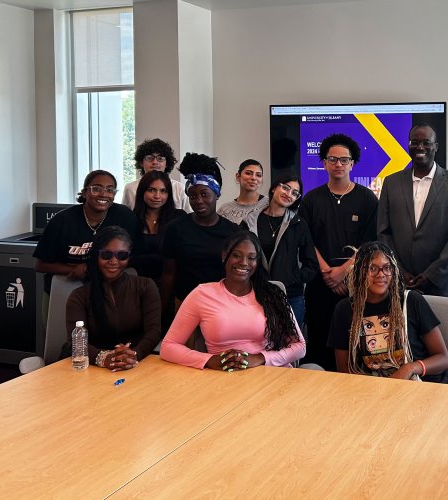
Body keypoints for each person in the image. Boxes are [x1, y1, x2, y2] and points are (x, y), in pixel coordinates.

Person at [161, 231, 306, 370]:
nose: (244, 262)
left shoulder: (272, 294)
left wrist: (260, 358)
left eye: (251, 258)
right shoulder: (202, 294)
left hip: (269, 373)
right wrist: (209, 360)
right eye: (236, 255)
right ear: (224, 256)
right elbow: (168, 347)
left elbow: (299, 347)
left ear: (257, 262)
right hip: (223, 376)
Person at [299, 133, 378, 369]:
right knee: (319, 340)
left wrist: (344, 271)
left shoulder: (367, 199)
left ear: (352, 163)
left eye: (344, 160)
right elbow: (306, 239)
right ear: (323, 163)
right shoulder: (311, 199)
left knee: (354, 340)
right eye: (332, 159)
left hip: (356, 283)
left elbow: (369, 241)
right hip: (319, 283)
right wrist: (327, 272)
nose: (338, 164)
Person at [328, 241, 448, 382]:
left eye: (387, 268)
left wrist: (409, 368)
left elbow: (443, 358)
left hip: (417, 384)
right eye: (372, 268)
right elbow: (343, 370)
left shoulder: (410, 301)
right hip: (371, 389)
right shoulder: (345, 310)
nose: (381, 274)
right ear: (359, 271)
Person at [377, 124, 448, 300]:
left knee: (442, 329)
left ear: (436, 146)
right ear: (408, 145)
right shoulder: (391, 183)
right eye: (415, 142)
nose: (420, 147)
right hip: (399, 283)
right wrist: (398, 270)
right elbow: (383, 232)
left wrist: (432, 274)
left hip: (441, 285)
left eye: (426, 142)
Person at [34, 170, 142, 321]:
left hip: (110, 290)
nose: (104, 194)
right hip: (64, 288)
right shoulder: (62, 221)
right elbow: (41, 265)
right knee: (62, 339)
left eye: (110, 190)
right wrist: (74, 269)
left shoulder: (125, 217)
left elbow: (136, 256)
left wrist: (94, 268)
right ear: (85, 192)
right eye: (96, 188)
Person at [65, 226, 161, 370]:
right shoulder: (79, 296)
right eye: (106, 255)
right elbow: (75, 343)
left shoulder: (146, 286)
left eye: (122, 255)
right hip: (91, 366)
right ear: (96, 255)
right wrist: (105, 358)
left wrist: (134, 354)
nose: (114, 261)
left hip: (135, 364)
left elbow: (154, 331)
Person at [160, 153, 241, 313]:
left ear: (216, 194)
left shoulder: (233, 232)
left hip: (222, 306)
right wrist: (161, 313)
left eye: (205, 194)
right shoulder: (176, 229)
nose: (198, 200)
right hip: (185, 305)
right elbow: (169, 274)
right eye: (193, 195)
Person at [242, 174, 318, 326]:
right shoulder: (251, 221)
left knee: (290, 345)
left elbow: (312, 264)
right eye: (285, 187)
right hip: (256, 293)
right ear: (274, 188)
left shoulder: (298, 224)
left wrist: (292, 277)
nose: (289, 194)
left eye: (295, 193)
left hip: (291, 296)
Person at [131, 171, 186, 284]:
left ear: (169, 194)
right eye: (151, 190)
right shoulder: (131, 218)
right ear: (142, 191)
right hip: (137, 283)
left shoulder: (179, 218)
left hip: (173, 284)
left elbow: (183, 257)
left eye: (163, 191)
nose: (157, 196)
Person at [122, 138, 191, 212]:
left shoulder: (180, 188)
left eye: (160, 158)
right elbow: (125, 216)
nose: (155, 162)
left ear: (167, 163)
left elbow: (189, 216)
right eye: (149, 158)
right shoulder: (130, 188)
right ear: (141, 162)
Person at [217, 159, 268, 224]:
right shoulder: (224, 210)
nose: (254, 178)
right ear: (238, 176)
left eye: (258, 175)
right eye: (248, 173)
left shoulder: (269, 205)